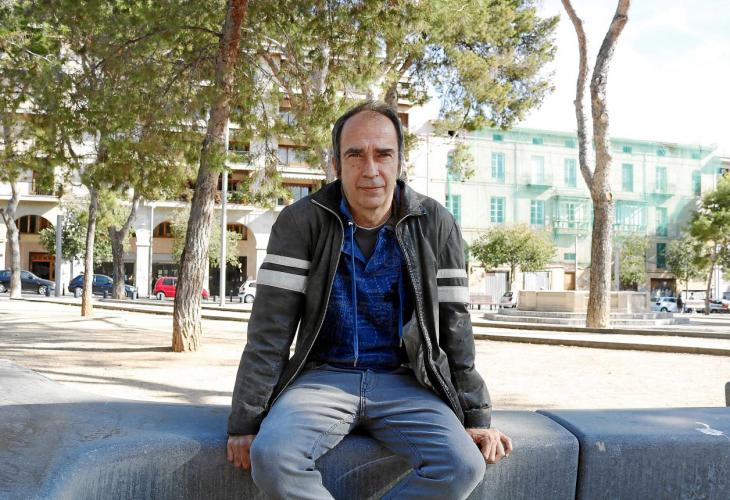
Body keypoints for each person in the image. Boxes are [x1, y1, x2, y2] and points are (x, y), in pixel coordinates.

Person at [226, 101, 512, 499]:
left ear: (400, 162)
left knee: (463, 465)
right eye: (355, 155)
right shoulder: (300, 221)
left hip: (407, 380)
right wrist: (245, 421)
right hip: (322, 378)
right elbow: (269, 329)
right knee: (272, 457)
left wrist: (476, 415)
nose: (371, 169)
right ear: (336, 164)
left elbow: (455, 326)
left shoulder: (435, 223)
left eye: (383, 154)